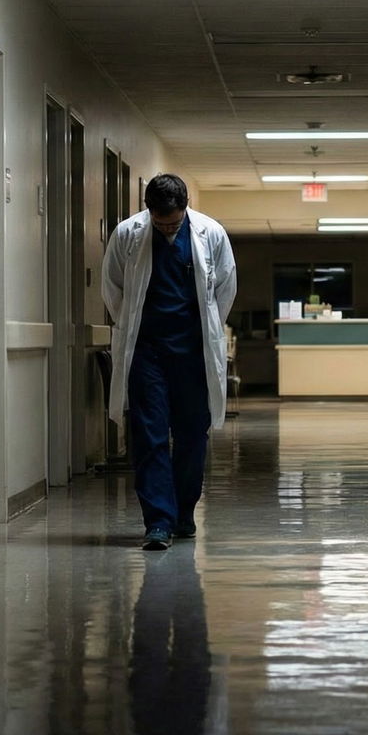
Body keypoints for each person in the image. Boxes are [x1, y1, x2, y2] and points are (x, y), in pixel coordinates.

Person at [102, 173, 236, 550]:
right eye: (160, 224)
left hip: (193, 352)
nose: (167, 229)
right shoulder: (128, 234)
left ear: (185, 207)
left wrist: (206, 329)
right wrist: (132, 327)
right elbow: (113, 290)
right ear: (148, 210)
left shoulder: (211, 233)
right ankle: (158, 522)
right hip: (147, 351)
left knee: (193, 434)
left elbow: (224, 290)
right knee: (150, 435)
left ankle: (184, 512)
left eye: (173, 223)